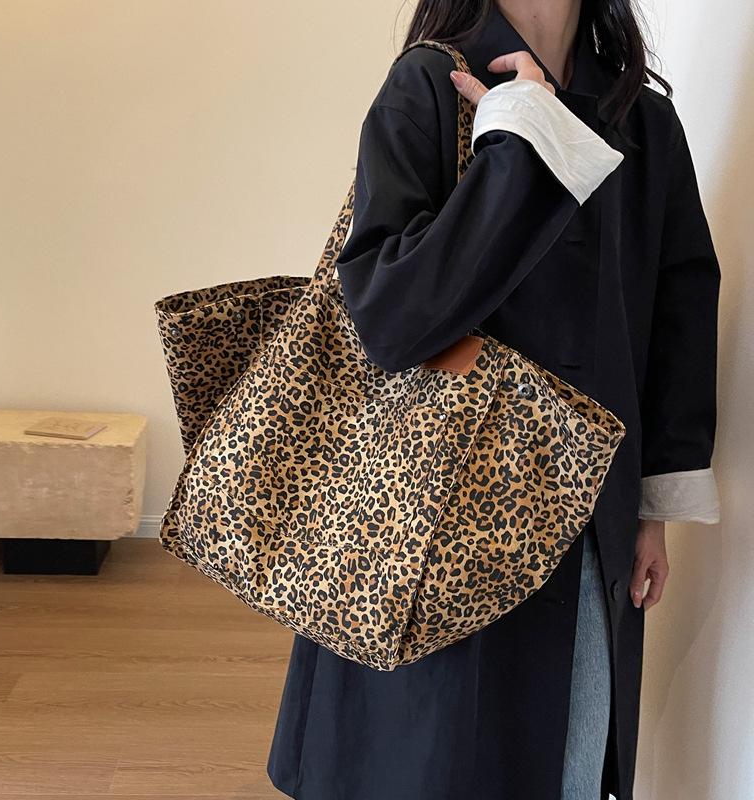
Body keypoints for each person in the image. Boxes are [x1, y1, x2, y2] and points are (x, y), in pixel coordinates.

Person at [267, 1, 721, 798]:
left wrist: (653, 508)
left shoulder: (643, 120)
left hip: (586, 521)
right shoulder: (430, 85)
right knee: (425, 762)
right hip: (427, 511)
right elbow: (390, 316)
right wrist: (517, 140)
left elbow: (677, 314)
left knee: (565, 765)